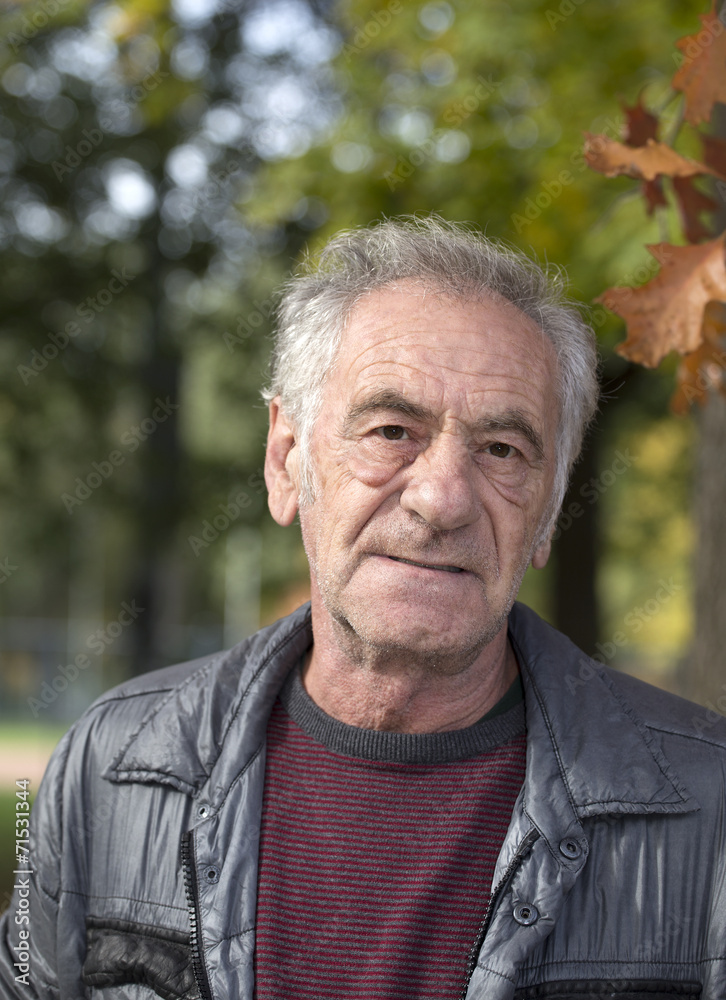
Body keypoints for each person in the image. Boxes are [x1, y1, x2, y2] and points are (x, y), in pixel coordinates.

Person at [2, 216, 725, 1000]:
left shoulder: (709, 810)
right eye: (391, 430)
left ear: (547, 511)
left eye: (502, 450)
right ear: (287, 461)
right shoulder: (110, 766)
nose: (443, 497)